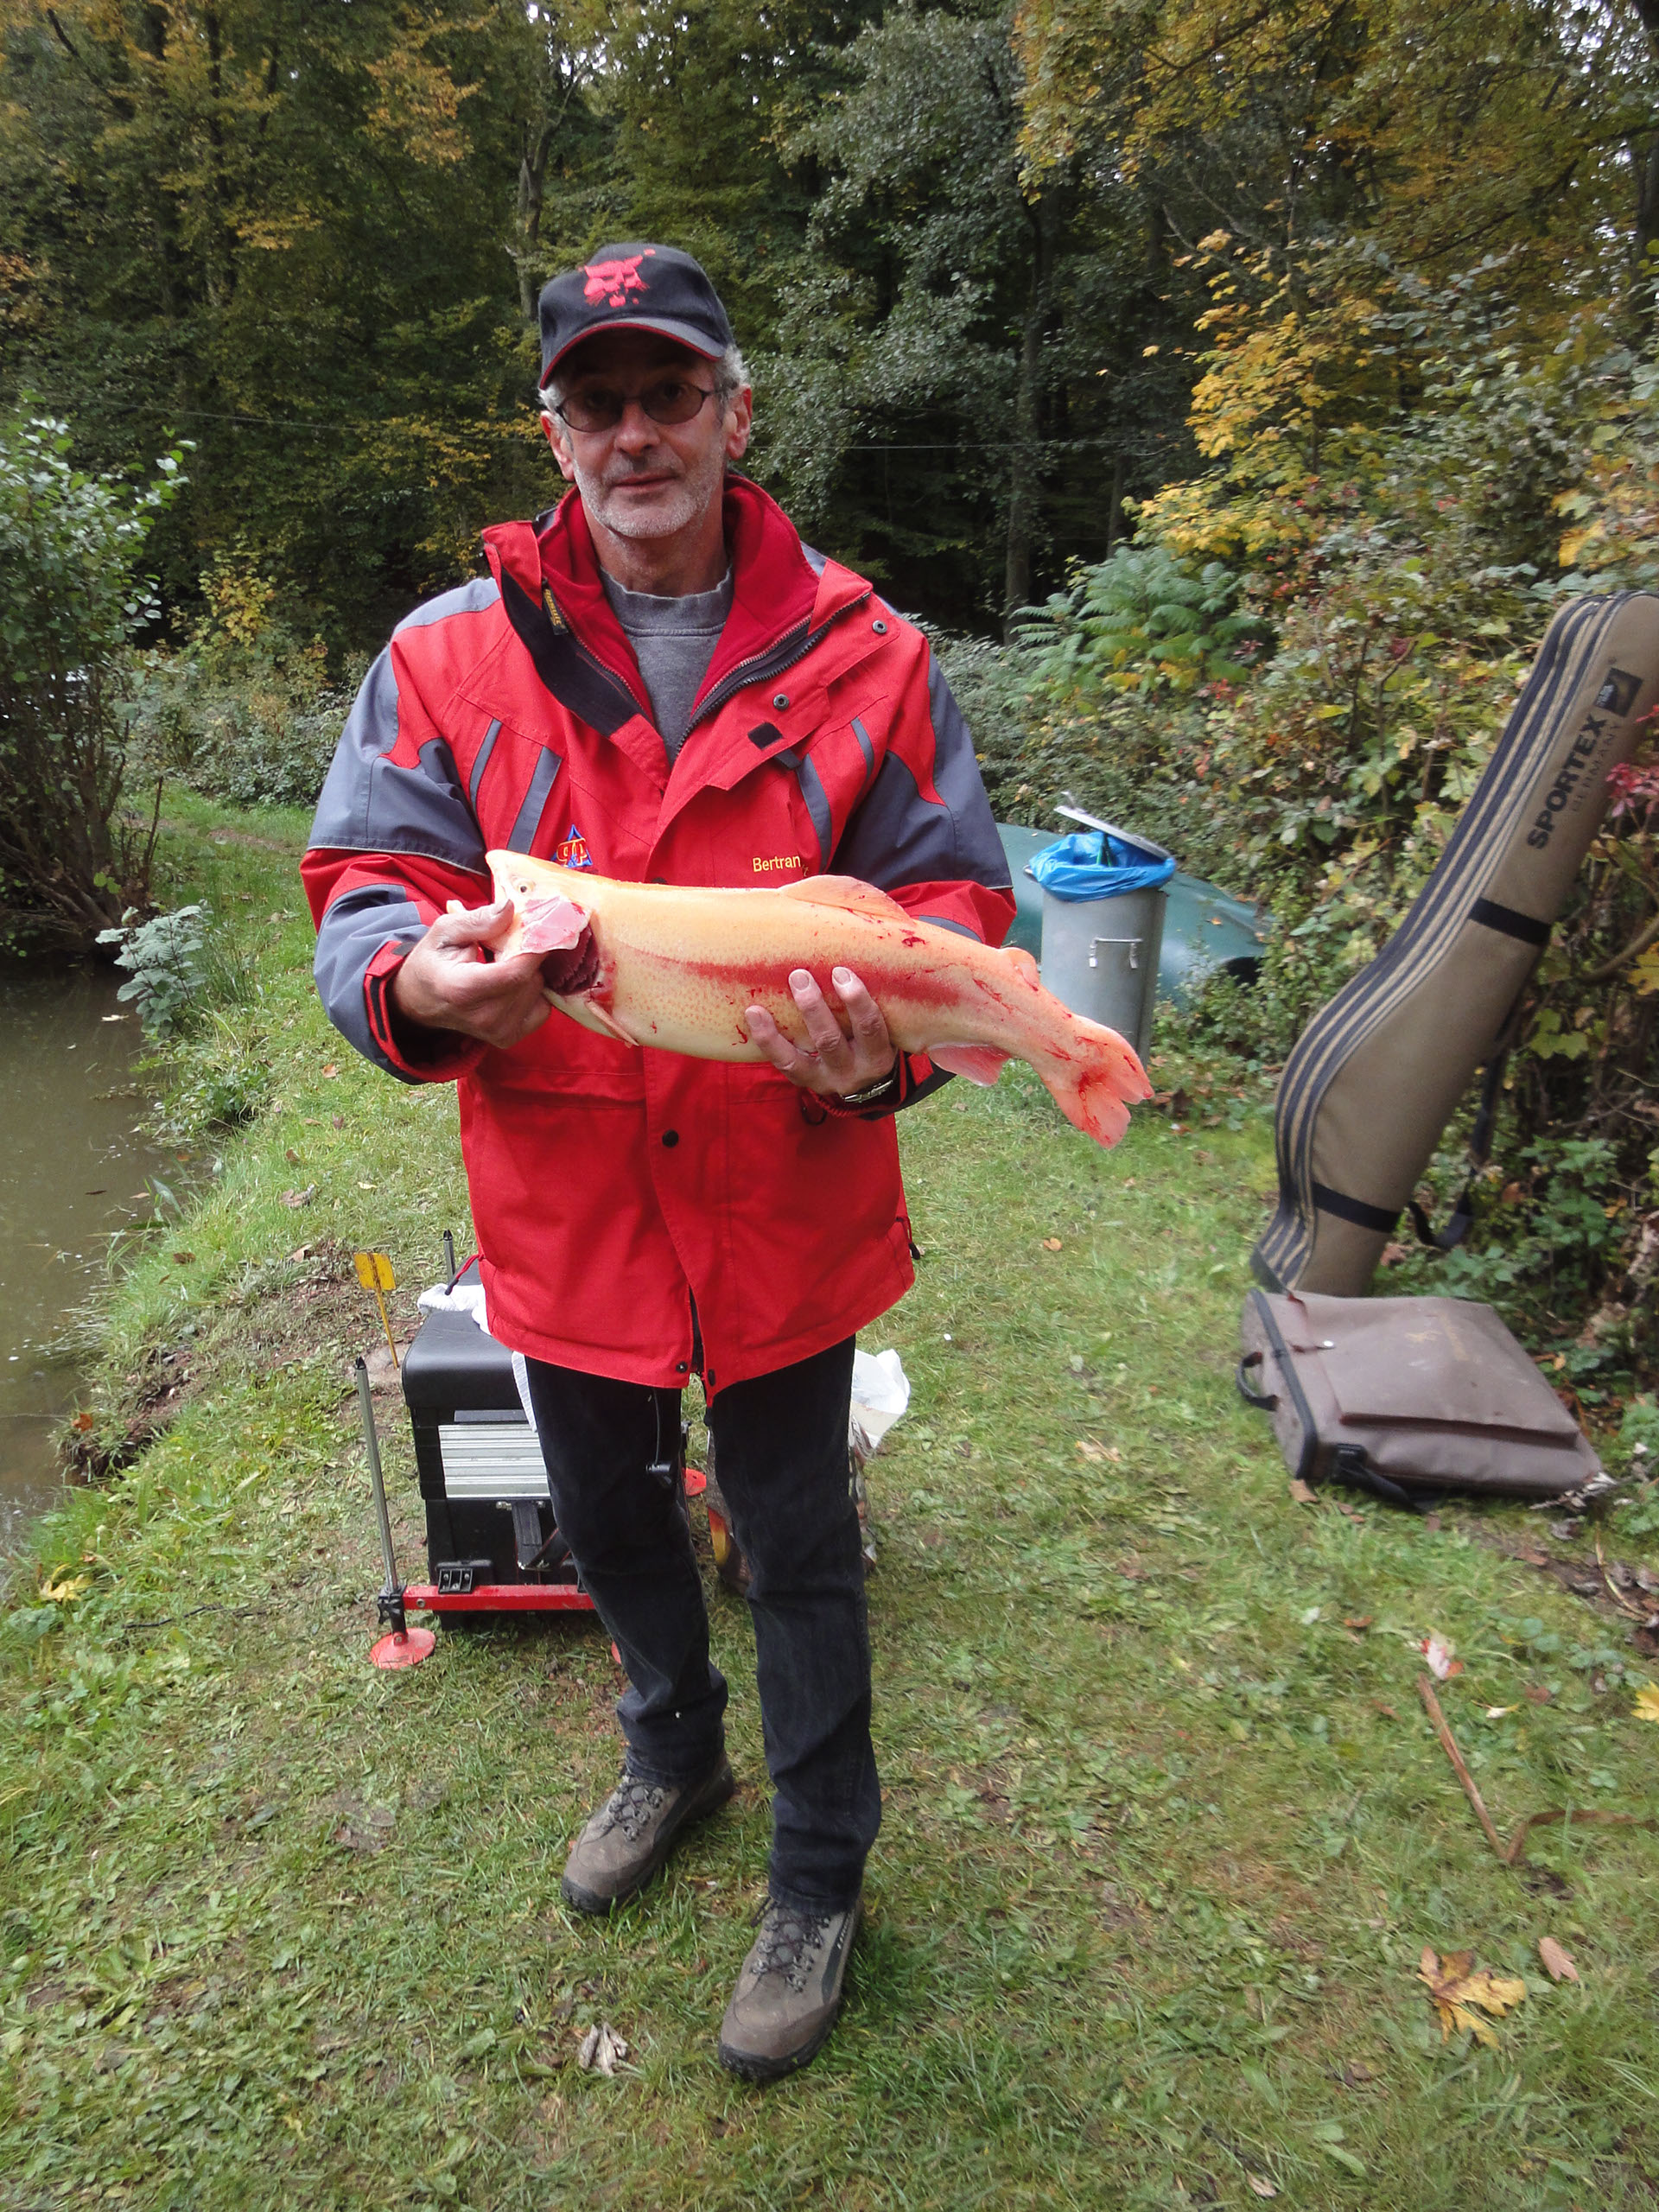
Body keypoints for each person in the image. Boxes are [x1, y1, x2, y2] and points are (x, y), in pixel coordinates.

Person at [303, 241, 1014, 2081]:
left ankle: (820, 1869)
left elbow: (951, 902)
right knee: (612, 1520)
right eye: (596, 400)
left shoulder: (871, 654)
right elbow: (366, 885)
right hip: (568, 1202)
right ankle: (673, 1750)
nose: (635, 433)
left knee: (796, 1544)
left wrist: (887, 1053)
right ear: (553, 429)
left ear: (734, 413)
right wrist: (415, 981)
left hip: (786, 1194)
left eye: (668, 393)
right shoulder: (446, 657)